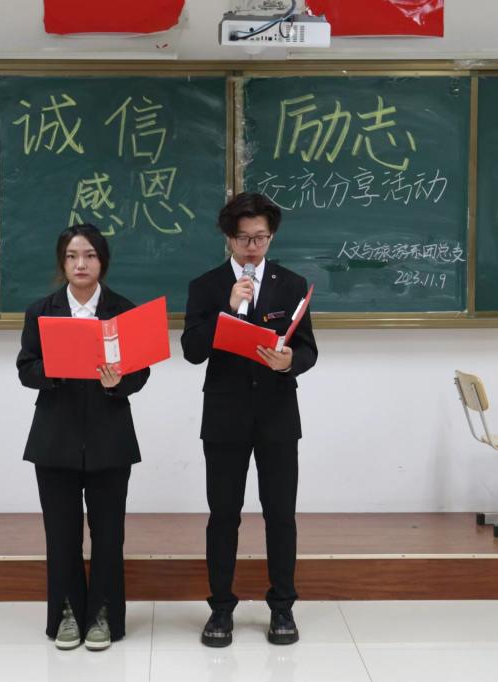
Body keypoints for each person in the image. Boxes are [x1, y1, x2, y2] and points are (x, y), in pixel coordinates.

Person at [181, 192, 318, 647]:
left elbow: (308, 349)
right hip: (225, 416)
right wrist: (227, 308)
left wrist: (290, 362)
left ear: (271, 235)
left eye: (260, 237)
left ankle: (282, 607)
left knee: (280, 514)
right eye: (243, 238)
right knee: (223, 515)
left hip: (277, 414)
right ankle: (221, 608)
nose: (252, 247)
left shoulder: (292, 284)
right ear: (228, 238)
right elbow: (192, 350)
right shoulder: (206, 285)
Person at [16, 224, 150, 651]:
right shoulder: (42, 311)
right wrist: (52, 369)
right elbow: (26, 368)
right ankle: (67, 613)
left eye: (89, 255)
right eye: (72, 255)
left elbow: (140, 372)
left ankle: (103, 614)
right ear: (62, 262)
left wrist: (118, 381)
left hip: (110, 439)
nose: (81, 264)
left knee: (109, 535)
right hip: (55, 439)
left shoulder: (123, 311)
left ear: (102, 261)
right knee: (62, 535)